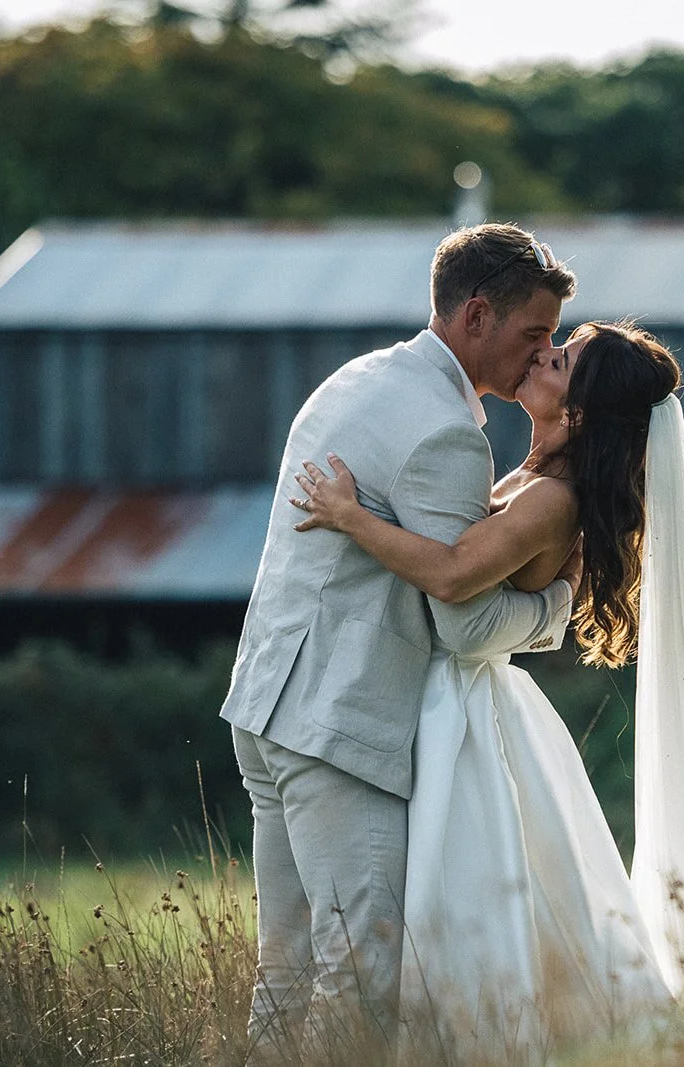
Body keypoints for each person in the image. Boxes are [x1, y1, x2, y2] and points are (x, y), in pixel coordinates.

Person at [291, 321, 684, 1060]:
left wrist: (351, 517)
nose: (542, 353)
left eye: (561, 359)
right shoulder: (536, 475)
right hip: (454, 701)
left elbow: (450, 573)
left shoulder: (551, 498)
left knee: (463, 927)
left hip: (468, 721)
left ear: (579, 414)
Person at [218, 223, 579, 1064]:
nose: (543, 353)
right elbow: (461, 618)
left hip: (265, 707)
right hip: (339, 729)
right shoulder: (448, 435)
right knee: (362, 967)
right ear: (477, 315)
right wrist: (555, 609)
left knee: (286, 967)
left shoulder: (358, 380)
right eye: (534, 334)